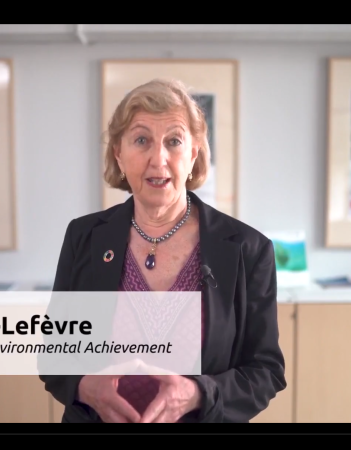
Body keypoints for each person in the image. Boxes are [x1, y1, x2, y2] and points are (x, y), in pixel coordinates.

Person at [39, 78, 286, 423]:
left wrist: (199, 394)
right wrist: (84, 387)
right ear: (119, 154)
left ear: (193, 153)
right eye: (141, 140)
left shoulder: (248, 249)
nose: (159, 159)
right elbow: (54, 353)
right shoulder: (84, 237)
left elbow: (265, 372)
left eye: (174, 141)